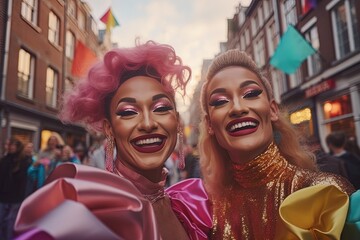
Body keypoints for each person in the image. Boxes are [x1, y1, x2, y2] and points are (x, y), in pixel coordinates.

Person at [14, 40, 211, 240]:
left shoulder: (192, 206)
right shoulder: (86, 213)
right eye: (128, 112)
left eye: (160, 108)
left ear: (177, 121)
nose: (148, 123)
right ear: (109, 129)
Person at [198, 49, 356, 239]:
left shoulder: (325, 195)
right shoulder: (207, 214)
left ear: (272, 110)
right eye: (220, 101)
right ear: (209, 125)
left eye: (250, 93)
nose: (238, 108)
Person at [0, 138, 32, 240]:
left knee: (10, 223)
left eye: (12, 144)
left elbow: (22, 181)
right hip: (3, 197)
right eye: (9, 144)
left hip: (16, 198)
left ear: (18, 147)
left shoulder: (24, 161)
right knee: (1, 222)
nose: (10, 146)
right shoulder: (4, 160)